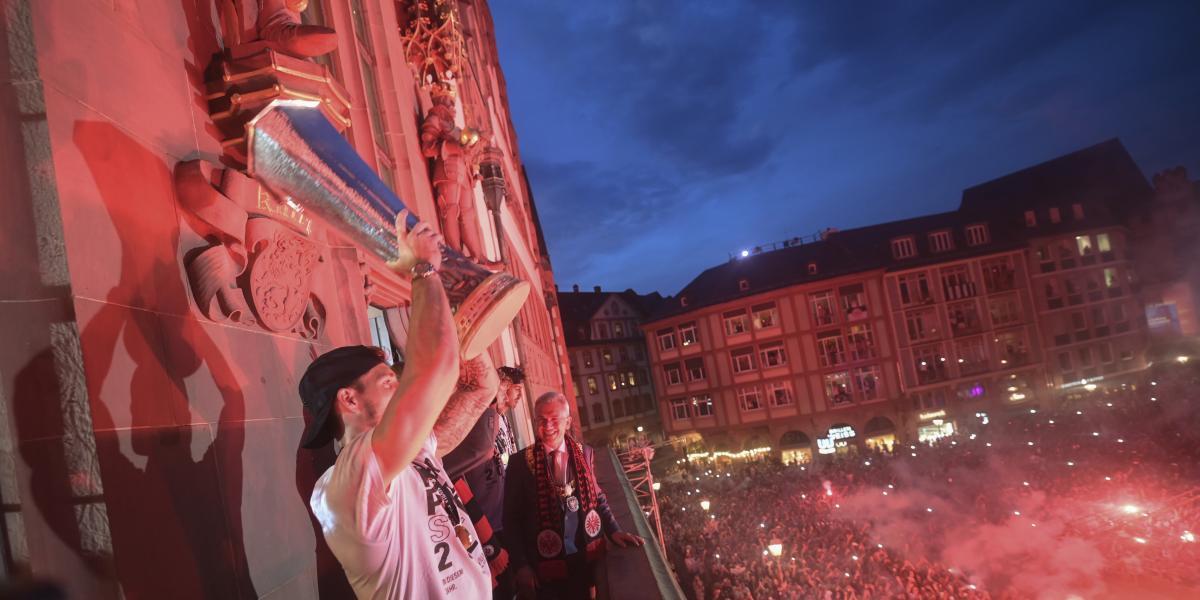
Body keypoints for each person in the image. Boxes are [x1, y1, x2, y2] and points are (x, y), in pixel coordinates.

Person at [299, 212, 500, 599]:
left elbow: (480, 388)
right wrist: (424, 269)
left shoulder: (409, 454)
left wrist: (466, 306)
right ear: (350, 398)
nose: (402, 387)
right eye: (388, 382)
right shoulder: (352, 481)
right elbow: (439, 369)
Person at [504, 392, 644, 599]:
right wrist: (521, 565)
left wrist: (614, 530)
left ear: (568, 422)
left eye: (554, 419)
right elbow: (511, 520)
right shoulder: (519, 463)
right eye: (542, 420)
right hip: (543, 570)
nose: (548, 426)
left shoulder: (585, 453)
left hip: (583, 561)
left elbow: (597, 498)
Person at [441, 366, 527, 598]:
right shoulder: (477, 422)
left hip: (502, 519)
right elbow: (455, 475)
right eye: (516, 389)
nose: (520, 396)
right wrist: (487, 539)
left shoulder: (501, 420)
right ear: (502, 386)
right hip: (482, 525)